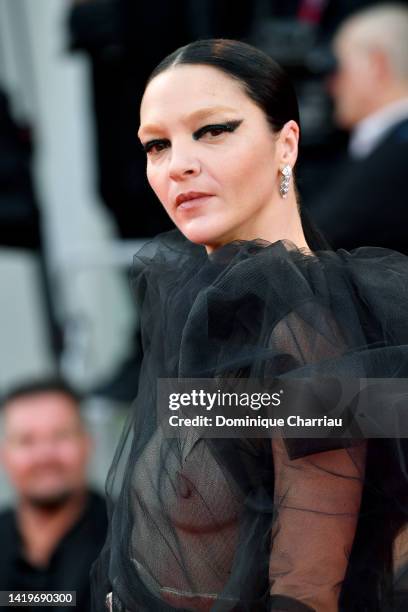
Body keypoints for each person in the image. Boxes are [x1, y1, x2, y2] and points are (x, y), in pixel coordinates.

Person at [92, 39, 408, 611]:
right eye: (156, 145)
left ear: (286, 142)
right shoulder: (202, 308)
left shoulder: (309, 324)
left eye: (213, 130)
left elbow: (308, 585)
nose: (178, 164)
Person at [307, 3, 408, 252]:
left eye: (338, 67)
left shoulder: (398, 153)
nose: (331, 85)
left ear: (376, 65)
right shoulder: (388, 143)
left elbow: (320, 239)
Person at [0, 379, 107, 612]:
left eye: (61, 436)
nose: (45, 456)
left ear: (87, 443)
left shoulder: (134, 539)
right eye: (26, 440)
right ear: (4, 454)